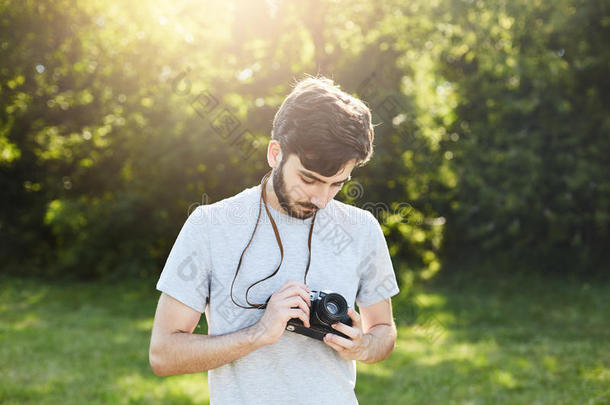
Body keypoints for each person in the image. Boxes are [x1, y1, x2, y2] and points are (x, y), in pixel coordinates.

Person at [149, 76, 400, 405]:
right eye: (309, 179)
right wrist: (258, 333)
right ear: (275, 153)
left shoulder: (361, 228)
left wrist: (363, 346)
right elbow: (164, 354)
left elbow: (384, 330)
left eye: (336, 184)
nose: (321, 199)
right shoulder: (211, 226)